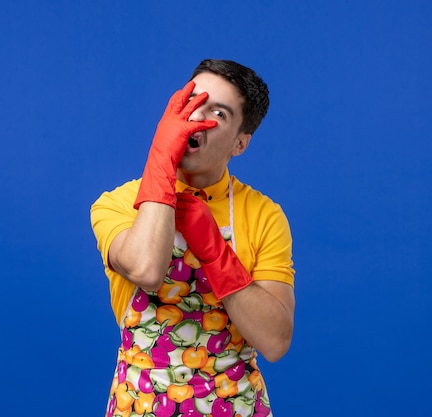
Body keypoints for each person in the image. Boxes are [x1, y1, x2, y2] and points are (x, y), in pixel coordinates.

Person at [90, 59, 295, 417]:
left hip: (236, 407)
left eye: (218, 112)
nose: (197, 118)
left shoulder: (265, 216)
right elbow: (145, 268)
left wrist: (217, 253)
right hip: (139, 406)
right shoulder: (118, 203)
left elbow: (275, 341)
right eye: (192, 102)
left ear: (240, 144)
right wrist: (160, 160)